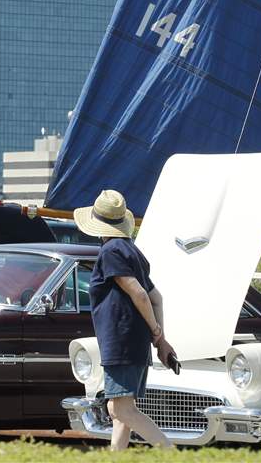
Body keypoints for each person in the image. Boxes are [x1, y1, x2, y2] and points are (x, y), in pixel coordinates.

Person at [74, 190, 174, 451]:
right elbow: (157, 298)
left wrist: (156, 331)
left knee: (121, 408)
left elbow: (139, 294)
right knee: (119, 410)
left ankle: (172, 454)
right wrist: (160, 340)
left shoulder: (110, 251)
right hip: (134, 342)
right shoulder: (131, 250)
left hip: (121, 341)